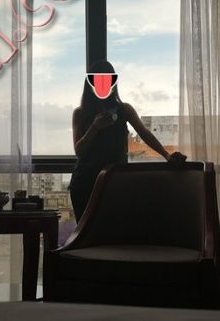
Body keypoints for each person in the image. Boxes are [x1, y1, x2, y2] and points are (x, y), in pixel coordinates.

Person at [69, 60, 187, 223]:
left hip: (115, 181)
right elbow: (79, 151)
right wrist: (95, 127)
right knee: (87, 232)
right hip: (85, 182)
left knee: (114, 229)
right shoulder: (80, 113)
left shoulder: (124, 110)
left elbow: (145, 134)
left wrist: (166, 155)